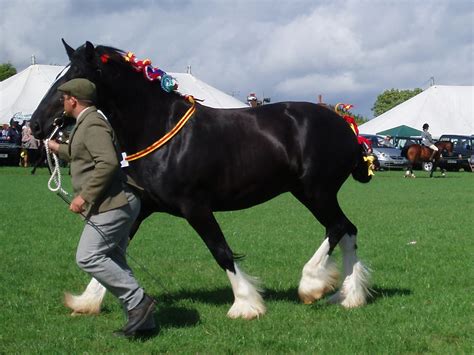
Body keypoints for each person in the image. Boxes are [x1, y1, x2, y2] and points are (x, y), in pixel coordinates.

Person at [46, 78, 156, 338]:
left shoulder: (92, 123)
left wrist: (84, 196)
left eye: (64, 98)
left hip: (115, 204)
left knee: (88, 256)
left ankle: (140, 301)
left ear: (74, 99)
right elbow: (82, 154)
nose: (62, 102)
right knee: (115, 260)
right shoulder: (86, 122)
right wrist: (57, 148)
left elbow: (107, 163)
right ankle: (144, 323)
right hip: (116, 202)